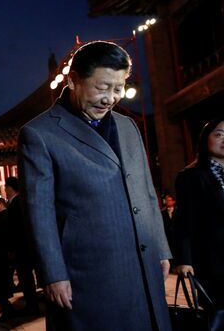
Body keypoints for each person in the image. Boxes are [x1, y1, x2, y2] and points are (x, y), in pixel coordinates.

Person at [18, 41, 172, 331]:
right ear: (74, 80)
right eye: (102, 87)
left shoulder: (128, 127)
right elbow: (39, 213)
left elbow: (147, 192)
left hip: (143, 262)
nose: (110, 99)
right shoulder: (40, 134)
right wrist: (53, 274)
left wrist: (161, 248)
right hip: (87, 273)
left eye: (118, 88)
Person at [175, 117, 224, 331]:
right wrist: (185, 261)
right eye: (219, 134)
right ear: (206, 140)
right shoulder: (192, 176)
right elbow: (184, 222)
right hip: (214, 263)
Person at [4, 176, 40, 315]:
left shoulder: (15, 204)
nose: (5, 190)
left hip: (21, 248)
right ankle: (32, 304)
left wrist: (12, 248)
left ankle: (32, 306)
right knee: (26, 278)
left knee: (25, 278)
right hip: (25, 247)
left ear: (11, 188)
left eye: (6, 187)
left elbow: (16, 229)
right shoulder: (21, 202)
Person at [161, 194, 177, 263]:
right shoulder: (162, 213)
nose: (167, 202)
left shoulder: (178, 211)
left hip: (176, 235)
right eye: (166, 200)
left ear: (173, 201)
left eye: (169, 200)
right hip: (167, 236)